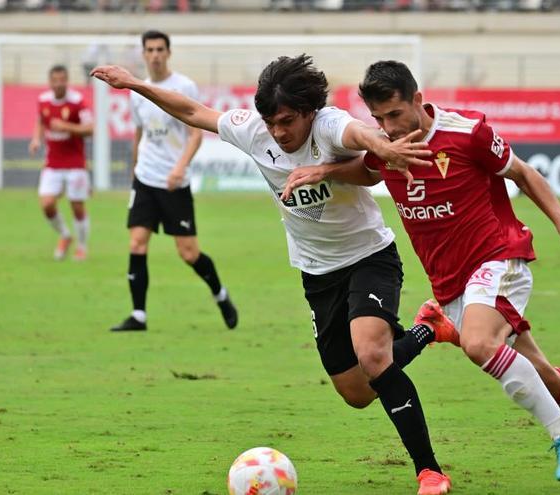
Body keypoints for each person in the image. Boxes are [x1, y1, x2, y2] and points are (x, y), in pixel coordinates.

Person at [92, 55, 455, 495]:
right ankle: (426, 331)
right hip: (317, 275)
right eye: (271, 122)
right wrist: (133, 83)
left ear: (308, 112)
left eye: (286, 121)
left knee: (373, 356)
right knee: (357, 392)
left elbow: (358, 134)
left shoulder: (327, 126)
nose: (279, 132)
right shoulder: (254, 130)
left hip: (368, 257)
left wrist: (375, 147)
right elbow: (192, 111)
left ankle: (429, 472)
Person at [283, 60, 560, 485]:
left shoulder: (467, 133)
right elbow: (367, 170)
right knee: (544, 378)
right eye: (380, 119)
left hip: (500, 257)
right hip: (453, 286)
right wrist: (324, 170)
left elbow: (523, 172)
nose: (389, 127)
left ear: (418, 101)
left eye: (396, 114)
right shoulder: (387, 149)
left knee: (479, 344)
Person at [108, 31, 238, 333]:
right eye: (149, 49)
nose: (154, 54)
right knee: (137, 242)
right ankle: (138, 315)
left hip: (174, 182)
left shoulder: (183, 86)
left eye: (159, 49)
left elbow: (195, 132)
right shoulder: (136, 91)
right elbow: (139, 134)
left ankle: (220, 294)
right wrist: (135, 169)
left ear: (168, 53)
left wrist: (180, 166)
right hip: (145, 179)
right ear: (143, 54)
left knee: (188, 253)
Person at [29, 65, 94, 261]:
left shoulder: (77, 102)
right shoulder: (43, 100)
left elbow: (90, 129)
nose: (58, 84)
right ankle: (66, 235)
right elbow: (41, 120)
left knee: (77, 206)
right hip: (52, 162)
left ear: (67, 80)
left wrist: (66, 126)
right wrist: (36, 139)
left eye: (62, 80)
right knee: (47, 204)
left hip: (75, 162)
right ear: (50, 82)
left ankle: (82, 246)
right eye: (55, 80)